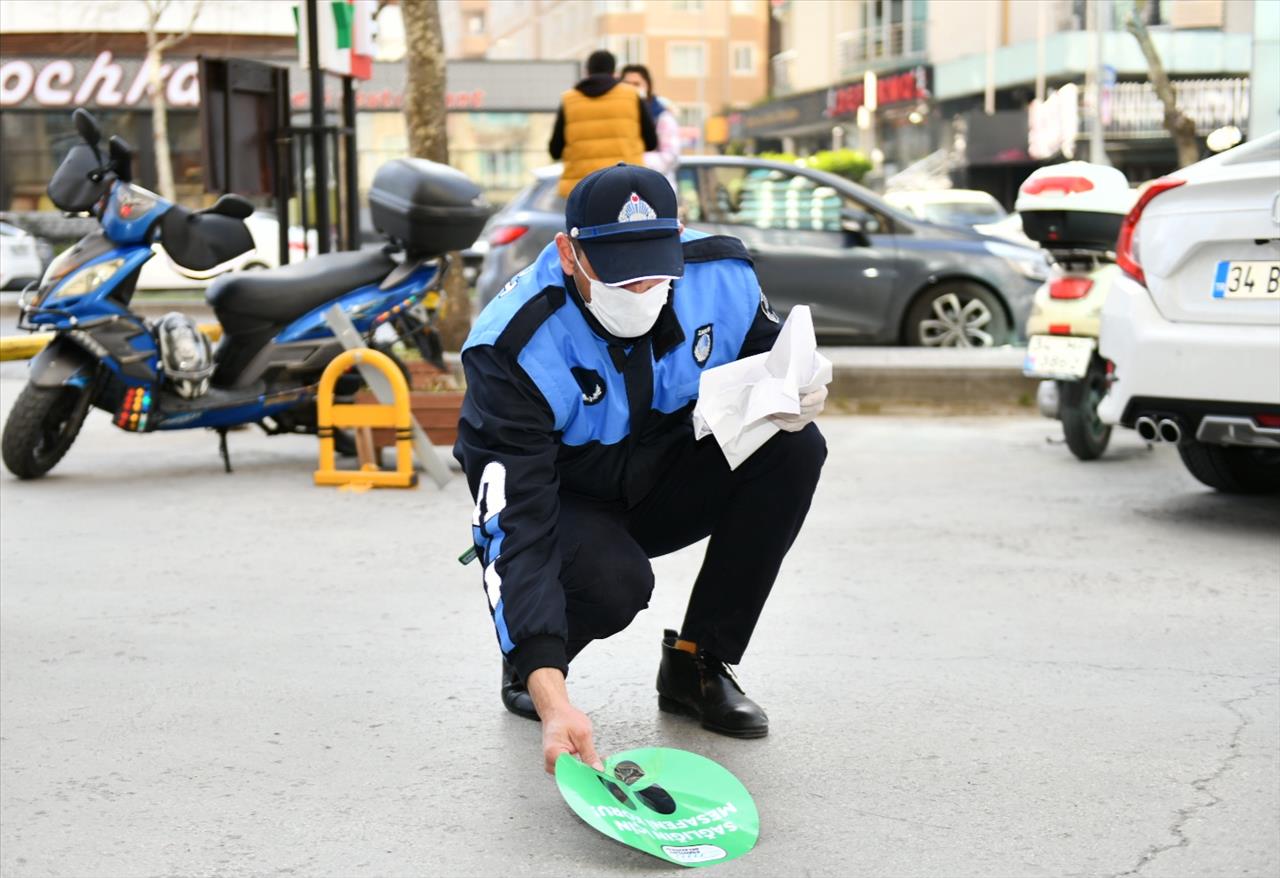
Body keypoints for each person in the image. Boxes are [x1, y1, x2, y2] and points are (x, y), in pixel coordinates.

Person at [455, 164, 828, 774]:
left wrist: (800, 386)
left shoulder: (722, 275)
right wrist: (553, 698)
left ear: (677, 235)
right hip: (568, 495)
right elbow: (514, 524)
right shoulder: (512, 347)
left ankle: (697, 662)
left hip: (668, 463)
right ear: (568, 253)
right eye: (617, 273)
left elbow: (768, 356)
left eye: (655, 268)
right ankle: (534, 659)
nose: (641, 289)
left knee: (795, 448)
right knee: (615, 584)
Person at [549, 50, 659, 198]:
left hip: (582, 189)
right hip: (625, 185)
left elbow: (555, 150)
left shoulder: (569, 100)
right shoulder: (632, 96)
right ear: (614, 72)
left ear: (587, 71)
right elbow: (651, 143)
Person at [620, 64, 680, 192]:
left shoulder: (662, 117)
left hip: (656, 191)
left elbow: (670, 156)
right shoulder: (618, 117)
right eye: (627, 84)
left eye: (636, 84)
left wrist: (634, 161)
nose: (631, 88)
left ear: (648, 86)